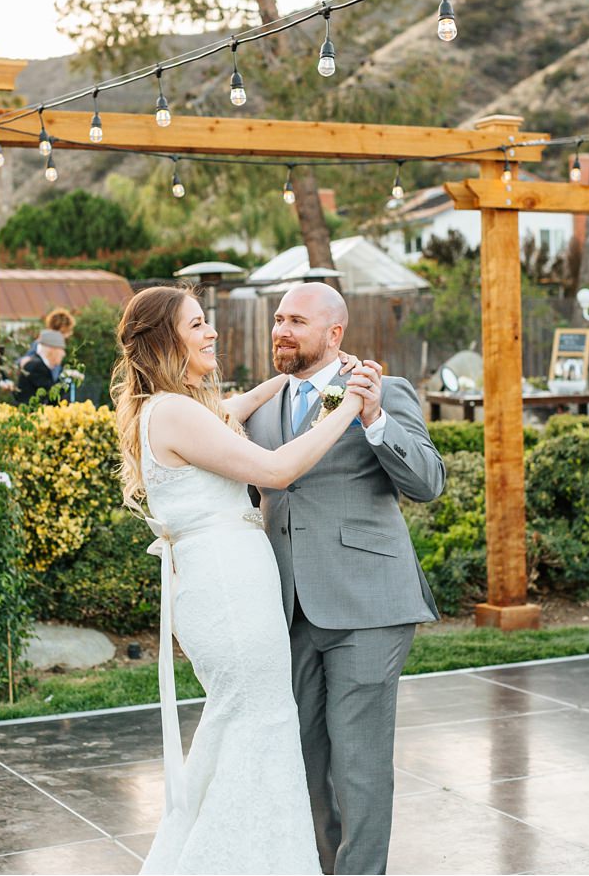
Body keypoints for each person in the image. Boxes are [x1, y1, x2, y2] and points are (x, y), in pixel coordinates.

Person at [110, 285, 374, 875]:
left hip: (225, 582)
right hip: (229, 590)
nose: (212, 333)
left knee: (245, 720)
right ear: (164, 340)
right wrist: (347, 405)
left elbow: (232, 411)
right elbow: (277, 469)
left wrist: (297, 386)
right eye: (198, 324)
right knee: (259, 718)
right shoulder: (176, 412)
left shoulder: (176, 408)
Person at [246, 282, 443, 875]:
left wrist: (375, 415)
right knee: (302, 760)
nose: (281, 330)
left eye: (297, 321)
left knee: (358, 762)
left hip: (369, 604)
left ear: (334, 334)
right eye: (278, 319)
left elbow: (428, 482)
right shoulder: (260, 406)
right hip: (287, 606)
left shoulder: (383, 390)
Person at [15, 328, 69, 404]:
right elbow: (53, 395)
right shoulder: (36, 367)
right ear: (52, 350)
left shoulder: (40, 365)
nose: (64, 354)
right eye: (61, 349)